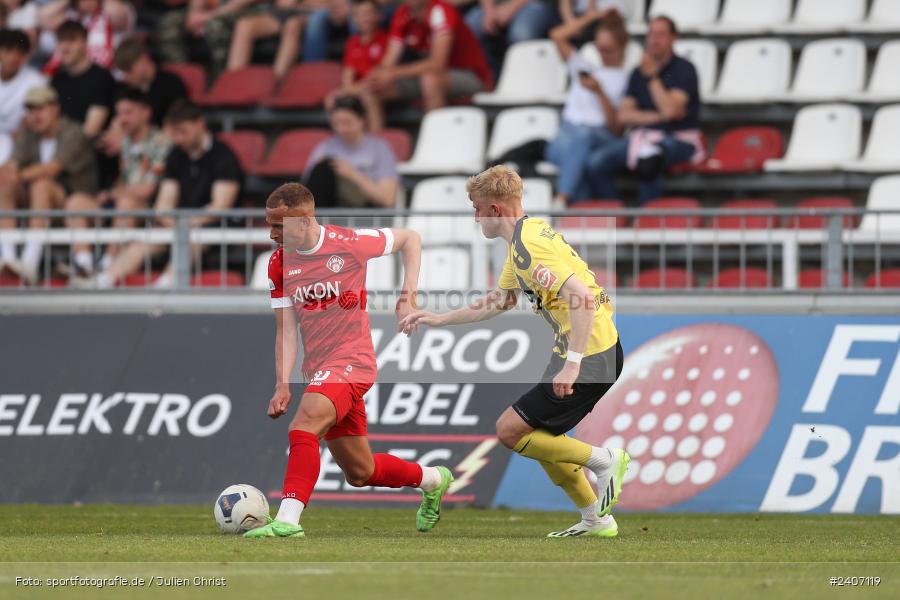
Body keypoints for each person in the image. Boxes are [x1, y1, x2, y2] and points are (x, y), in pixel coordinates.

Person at [399, 166, 629, 538]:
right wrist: (438, 319)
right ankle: (595, 520)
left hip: (590, 355)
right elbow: (499, 301)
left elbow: (583, 300)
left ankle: (606, 462)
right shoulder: (523, 238)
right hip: (580, 350)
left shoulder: (530, 244)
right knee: (543, 440)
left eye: (476, 209)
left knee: (510, 430)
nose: (475, 218)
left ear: (494, 210)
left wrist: (572, 366)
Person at [244, 182, 453, 539]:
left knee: (304, 425)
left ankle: (288, 521)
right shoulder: (279, 264)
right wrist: (283, 381)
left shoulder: (350, 243)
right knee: (361, 472)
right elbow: (287, 331)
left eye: (278, 225)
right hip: (319, 371)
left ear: (306, 220)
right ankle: (433, 479)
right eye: (269, 223)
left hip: (353, 361)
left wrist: (408, 297)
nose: (271, 232)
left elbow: (410, 238)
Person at [75, 100, 241, 289]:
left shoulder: (223, 155)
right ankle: (102, 282)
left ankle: (164, 286)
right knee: (141, 243)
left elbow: (220, 207)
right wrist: (167, 218)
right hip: (180, 224)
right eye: (175, 133)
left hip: (212, 228)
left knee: (191, 240)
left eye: (183, 131)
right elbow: (165, 199)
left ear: (200, 124)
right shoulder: (176, 155)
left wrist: (183, 223)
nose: (178, 139)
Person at [585, 15, 704, 204]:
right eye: (651, 34)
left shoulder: (684, 69)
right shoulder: (638, 71)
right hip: (644, 136)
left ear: (674, 38)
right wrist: (660, 116)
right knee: (595, 162)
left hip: (679, 138)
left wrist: (652, 78)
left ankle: (648, 223)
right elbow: (624, 115)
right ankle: (618, 217)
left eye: (660, 34)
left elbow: (671, 110)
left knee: (649, 158)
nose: (654, 39)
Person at [63, 89, 170, 279]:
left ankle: (108, 263)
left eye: (128, 113)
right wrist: (112, 193)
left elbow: (147, 189)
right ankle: (83, 262)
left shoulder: (161, 142)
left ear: (146, 113)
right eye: (119, 113)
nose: (122, 119)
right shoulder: (126, 142)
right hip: (121, 205)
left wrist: (113, 194)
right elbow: (126, 178)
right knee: (77, 201)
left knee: (127, 203)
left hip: (149, 211)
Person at [0, 85, 96, 283]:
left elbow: (53, 168)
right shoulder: (29, 134)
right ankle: (8, 260)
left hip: (72, 205)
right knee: (5, 186)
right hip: (39, 206)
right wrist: (8, 174)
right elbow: (12, 165)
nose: (35, 116)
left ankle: (30, 262)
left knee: (41, 184)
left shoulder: (74, 132)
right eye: (31, 110)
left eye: (40, 109)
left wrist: (14, 174)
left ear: (55, 109)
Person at [545, 8, 627, 205]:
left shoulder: (626, 78)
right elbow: (557, 35)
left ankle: (561, 199)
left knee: (582, 139)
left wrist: (599, 92)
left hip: (599, 135)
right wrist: (590, 18)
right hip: (568, 134)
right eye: (600, 48)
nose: (603, 54)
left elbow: (616, 128)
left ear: (623, 46)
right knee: (575, 157)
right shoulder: (583, 66)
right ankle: (579, 225)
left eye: (609, 49)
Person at [367, 0, 493, 113]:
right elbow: (389, 60)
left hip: (472, 75)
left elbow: (437, 63)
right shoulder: (403, 14)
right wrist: (379, 75)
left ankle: (434, 137)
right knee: (373, 89)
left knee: (430, 80)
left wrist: (393, 73)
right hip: (432, 76)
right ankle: (374, 138)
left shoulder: (440, 10)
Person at [304, 95, 399, 211]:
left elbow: (387, 199)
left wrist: (352, 174)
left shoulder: (380, 148)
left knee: (325, 169)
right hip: (330, 207)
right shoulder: (325, 147)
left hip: (365, 210)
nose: (341, 129)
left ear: (362, 120)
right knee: (322, 170)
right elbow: (307, 190)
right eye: (336, 123)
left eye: (347, 123)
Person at [49, 19, 115, 139]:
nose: (65, 47)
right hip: (59, 145)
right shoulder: (56, 80)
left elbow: (91, 131)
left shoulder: (101, 77)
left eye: (71, 40)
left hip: (87, 151)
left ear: (85, 43)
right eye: (61, 41)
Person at [327, 0, 388, 130]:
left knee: (368, 96)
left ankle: (377, 140)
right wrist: (351, 88)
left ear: (378, 16)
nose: (364, 18)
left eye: (367, 13)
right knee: (331, 98)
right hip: (358, 88)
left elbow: (378, 76)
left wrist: (352, 89)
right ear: (354, 19)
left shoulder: (385, 40)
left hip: (377, 88)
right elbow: (347, 77)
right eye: (358, 15)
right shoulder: (352, 42)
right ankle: (343, 142)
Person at [464, 0, 560, 76]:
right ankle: (486, 80)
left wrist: (509, 9)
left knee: (521, 35)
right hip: (495, 7)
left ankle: (524, 82)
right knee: (469, 30)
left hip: (533, 4)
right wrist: (489, 11)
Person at [226, 0, 310, 80]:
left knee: (292, 25)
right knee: (244, 25)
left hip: (306, 12)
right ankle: (234, 81)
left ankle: (276, 81)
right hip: (282, 12)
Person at [112, 38, 187, 126]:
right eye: (123, 72)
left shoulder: (171, 84)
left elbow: (179, 119)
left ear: (143, 59)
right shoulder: (124, 90)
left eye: (129, 70)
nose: (126, 77)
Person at [0, 28, 46, 163]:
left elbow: (37, 120)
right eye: (8, 51)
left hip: (19, 143)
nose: (14, 57)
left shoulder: (36, 81)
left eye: (20, 52)